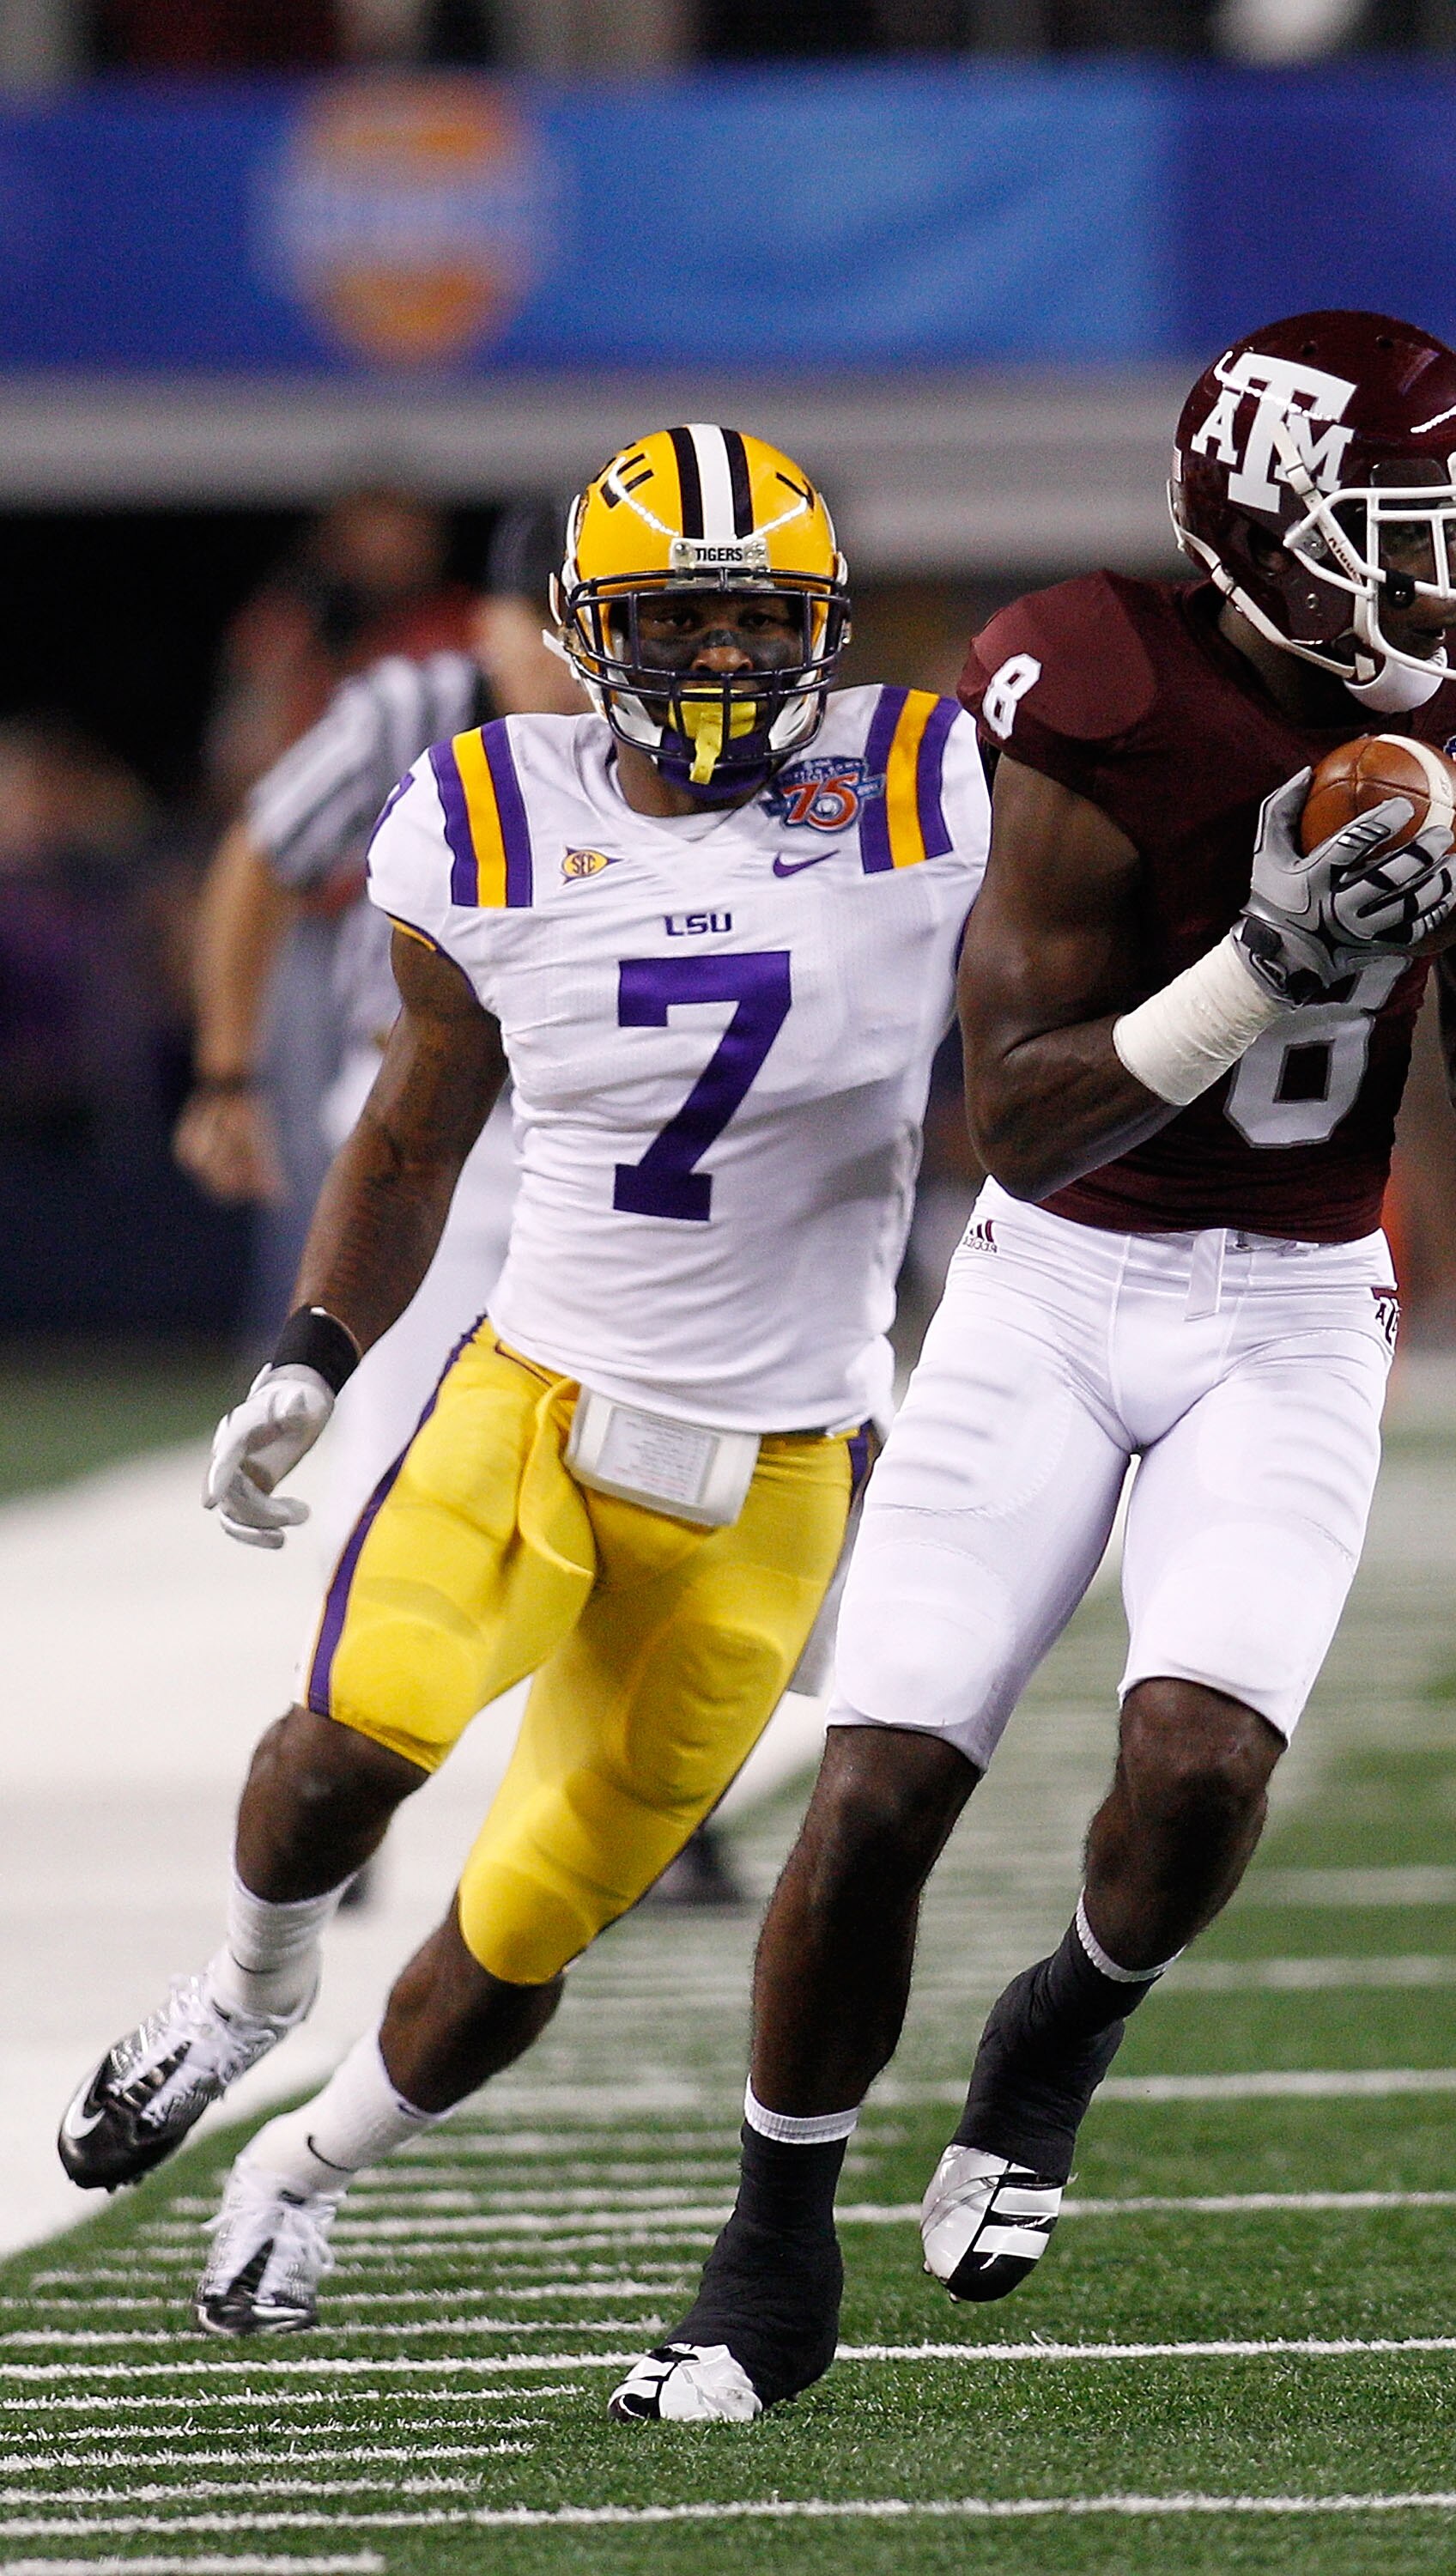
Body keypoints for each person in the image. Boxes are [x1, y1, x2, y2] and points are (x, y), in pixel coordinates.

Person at [610, 311, 1456, 2424]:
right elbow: (1022, 1116)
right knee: (877, 1785)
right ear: (1259, 543)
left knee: (1197, 1768)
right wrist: (1258, 964)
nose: (1454, 596)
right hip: (1058, 1274)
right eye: (1395, 542)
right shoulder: (1093, 686)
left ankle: (1060, 2020)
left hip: (1296, 1290)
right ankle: (767, 2235)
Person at [56, 426, 990, 2342]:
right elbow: (409, 1134)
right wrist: (316, 1355)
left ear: (822, 629)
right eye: (677, 622)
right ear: (585, 629)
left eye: (758, 622)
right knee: (350, 1743)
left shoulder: (924, 783)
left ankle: (298, 2170)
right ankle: (243, 1992)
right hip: (539, 1400)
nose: (723, 662)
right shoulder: (483, 805)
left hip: (785, 1464)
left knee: (531, 1921)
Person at [173, 501, 579, 1546]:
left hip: (592, 1116)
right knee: (404, 1441)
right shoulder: (411, 711)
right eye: (530, 625)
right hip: (421, 1097)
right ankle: (370, 1657)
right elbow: (261, 856)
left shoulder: (653, 732)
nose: (557, 660)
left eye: (574, 626)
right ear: (481, 624)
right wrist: (227, 1074)